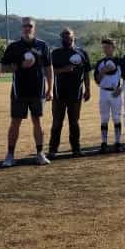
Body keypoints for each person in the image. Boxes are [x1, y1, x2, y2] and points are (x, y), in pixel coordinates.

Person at [1, 17, 53, 167]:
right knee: (15, 122)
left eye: (29, 26)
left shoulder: (42, 46)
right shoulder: (14, 46)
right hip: (19, 91)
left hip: (38, 91)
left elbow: (49, 69)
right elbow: (3, 68)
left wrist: (50, 89)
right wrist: (19, 65)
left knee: (38, 121)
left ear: (34, 28)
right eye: (24, 26)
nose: (27, 28)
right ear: (21, 28)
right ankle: (10, 155)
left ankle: (40, 153)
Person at [48, 28, 91, 158]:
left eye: (69, 35)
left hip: (76, 94)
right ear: (61, 38)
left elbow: (87, 73)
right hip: (59, 94)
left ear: (74, 37)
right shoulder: (55, 53)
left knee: (74, 122)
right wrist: (64, 69)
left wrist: (88, 89)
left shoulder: (82, 53)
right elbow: (49, 71)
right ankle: (52, 150)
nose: (66, 38)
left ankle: (76, 149)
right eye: (64, 36)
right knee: (57, 123)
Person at [93, 38, 122, 153]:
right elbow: (97, 80)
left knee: (116, 118)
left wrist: (121, 88)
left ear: (113, 48)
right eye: (104, 47)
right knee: (104, 118)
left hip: (116, 92)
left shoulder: (119, 61)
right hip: (104, 92)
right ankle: (104, 143)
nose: (106, 49)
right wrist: (103, 71)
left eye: (108, 47)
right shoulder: (100, 63)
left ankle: (118, 142)